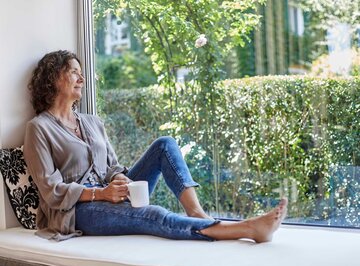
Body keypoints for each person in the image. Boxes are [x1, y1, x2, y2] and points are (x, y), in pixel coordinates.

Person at [24, 50, 287, 242]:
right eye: (74, 72)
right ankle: (246, 229)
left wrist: (119, 180)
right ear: (54, 78)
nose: (81, 78)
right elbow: (51, 190)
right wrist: (101, 194)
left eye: (82, 73)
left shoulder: (92, 122)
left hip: (110, 194)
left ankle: (196, 212)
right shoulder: (39, 128)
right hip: (79, 211)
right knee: (154, 214)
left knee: (165, 144)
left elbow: (113, 166)